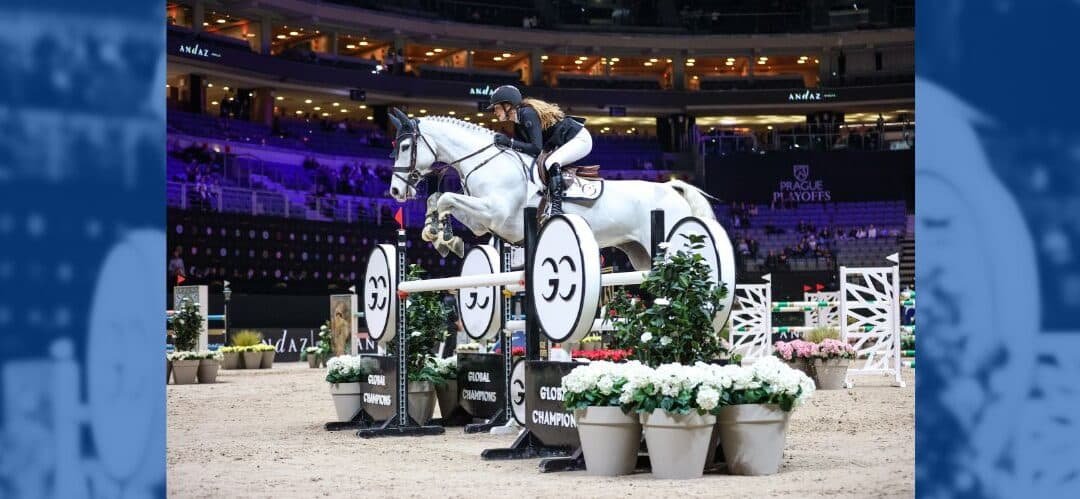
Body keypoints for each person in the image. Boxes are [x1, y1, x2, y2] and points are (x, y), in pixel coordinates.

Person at [487, 85, 592, 215]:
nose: (494, 112)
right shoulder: (518, 125)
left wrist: (510, 143)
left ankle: (556, 207)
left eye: (496, 107)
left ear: (507, 105)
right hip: (564, 142)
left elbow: (536, 149)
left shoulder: (527, 113)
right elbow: (524, 152)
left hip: (579, 138)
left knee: (551, 162)